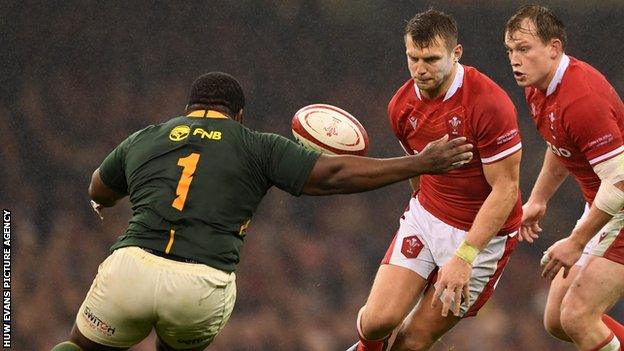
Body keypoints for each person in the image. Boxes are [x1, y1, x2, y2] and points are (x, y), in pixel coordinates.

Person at [50, 72, 473, 351]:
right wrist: (420, 163)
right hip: (201, 280)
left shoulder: (146, 137)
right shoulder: (255, 143)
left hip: (132, 267)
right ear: (238, 115)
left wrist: (102, 203)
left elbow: (99, 187)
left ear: (189, 109)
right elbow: (334, 174)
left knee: (78, 346)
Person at [347, 9, 522, 351]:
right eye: (413, 58)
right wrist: (420, 212)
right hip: (427, 218)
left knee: (412, 341)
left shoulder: (488, 103)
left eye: (431, 59)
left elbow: (506, 189)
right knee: (375, 322)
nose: (420, 68)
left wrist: (465, 256)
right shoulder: (400, 106)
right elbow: (419, 170)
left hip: (481, 238)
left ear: (456, 54)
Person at [505, 4, 624, 351]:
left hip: (618, 201)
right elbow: (560, 145)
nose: (515, 59)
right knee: (556, 319)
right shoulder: (537, 87)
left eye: (524, 49)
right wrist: (538, 199)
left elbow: (619, 183)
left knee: (577, 317)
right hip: (605, 202)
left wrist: (576, 241)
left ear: (554, 48)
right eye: (511, 50)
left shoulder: (581, 98)